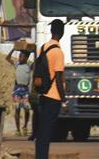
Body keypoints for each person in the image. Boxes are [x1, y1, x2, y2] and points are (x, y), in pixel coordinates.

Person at [37, 19, 66, 159]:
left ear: (51, 30)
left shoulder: (43, 48)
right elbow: (58, 78)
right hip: (54, 96)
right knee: (47, 132)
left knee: (42, 131)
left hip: (43, 93)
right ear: (62, 32)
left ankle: (40, 156)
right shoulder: (58, 52)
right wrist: (64, 99)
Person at [6, 49, 32, 137]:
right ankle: (17, 129)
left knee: (27, 109)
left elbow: (36, 62)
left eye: (21, 56)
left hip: (25, 89)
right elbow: (7, 58)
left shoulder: (29, 66)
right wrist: (13, 49)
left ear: (26, 58)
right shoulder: (16, 64)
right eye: (19, 56)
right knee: (17, 109)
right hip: (17, 89)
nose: (19, 58)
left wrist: (34, 51)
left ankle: (25, 126)